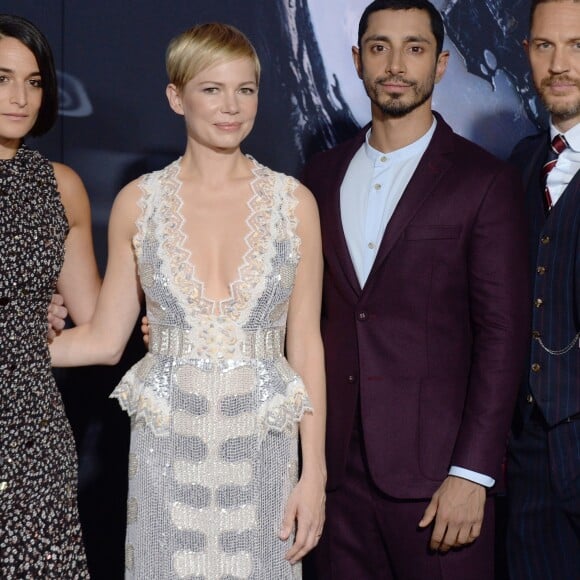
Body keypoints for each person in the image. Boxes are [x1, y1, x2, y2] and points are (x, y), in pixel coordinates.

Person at [50, 22, 326, 579]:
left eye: (245, 89)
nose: (232, 107)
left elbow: (306, 344)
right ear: (176, 97)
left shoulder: (294, 204)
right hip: (167, 448)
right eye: (212, 89)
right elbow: (105, 338)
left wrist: (313, 471)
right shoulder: (138, 202)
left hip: (265, 447)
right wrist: (14, 348)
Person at [301, 1, 530, 578]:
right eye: (379, 47)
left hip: (439, 486)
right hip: (335, 480)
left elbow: (504, 337)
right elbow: (297, 312)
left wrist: (473, 474)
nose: (396, 64)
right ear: (357, 61)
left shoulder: (484, 181)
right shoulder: (319, 175)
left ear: (442, 64)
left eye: (415, 48)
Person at [0, 14, 100, 578]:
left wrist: (167, 322)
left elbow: (99, 331)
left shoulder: (59, 186)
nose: (20, 97)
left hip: (35, 434)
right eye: (3, 78)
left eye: (34, 82)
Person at [506, 1, 580, 578]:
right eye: (544, 46)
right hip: (530, 461)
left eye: (578, 46)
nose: (560, 64)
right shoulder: (521, 163)